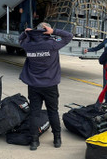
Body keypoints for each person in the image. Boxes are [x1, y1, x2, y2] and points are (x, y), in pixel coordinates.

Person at [19, 22, 73, 151]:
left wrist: (26, 32)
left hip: (33, 85)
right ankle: (57, 139)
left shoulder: (28, 45)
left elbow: (20, 39)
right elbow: (69, 36)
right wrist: (53, 31)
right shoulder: (52, 44)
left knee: (34, 113)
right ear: (46, 31)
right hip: (50, 85)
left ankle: (34, 141)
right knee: (53, 112)